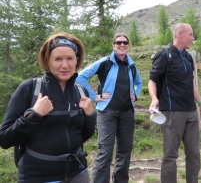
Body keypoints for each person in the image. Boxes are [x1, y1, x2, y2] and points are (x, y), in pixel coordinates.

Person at [0, 32, 97, 182]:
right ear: (48, 61)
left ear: (77, 61)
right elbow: (4, 139)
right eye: (58, 59)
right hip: (38, 176)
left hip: (78, 173)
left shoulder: (80, 91)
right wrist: (35, 114)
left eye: (70, 58)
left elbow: (82, 136)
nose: (65, 65)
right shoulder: (30, 88)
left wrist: (91, 115)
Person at [148, 23, 201, 183]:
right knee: (170, 155)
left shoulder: (187, 56)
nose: (193, 38)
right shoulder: (164, 55)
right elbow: (152, 81)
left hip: (191, 111)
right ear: (179, 34)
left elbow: (191, 84)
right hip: (172, 112)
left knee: (194, 153)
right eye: (190, 35)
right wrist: (154, 98)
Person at [76, 33, 143, 183]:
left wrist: (135, 94)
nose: (122, 45)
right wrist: (95, 96)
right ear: (113, 46)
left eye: (125, 42)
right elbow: (80, 77)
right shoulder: (105, 62)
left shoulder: (131, 65)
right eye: (118, 42)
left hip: (127, 113)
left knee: (124, 152)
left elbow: (139, 82)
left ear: (128, 45)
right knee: (105, 152)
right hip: (107, 112)